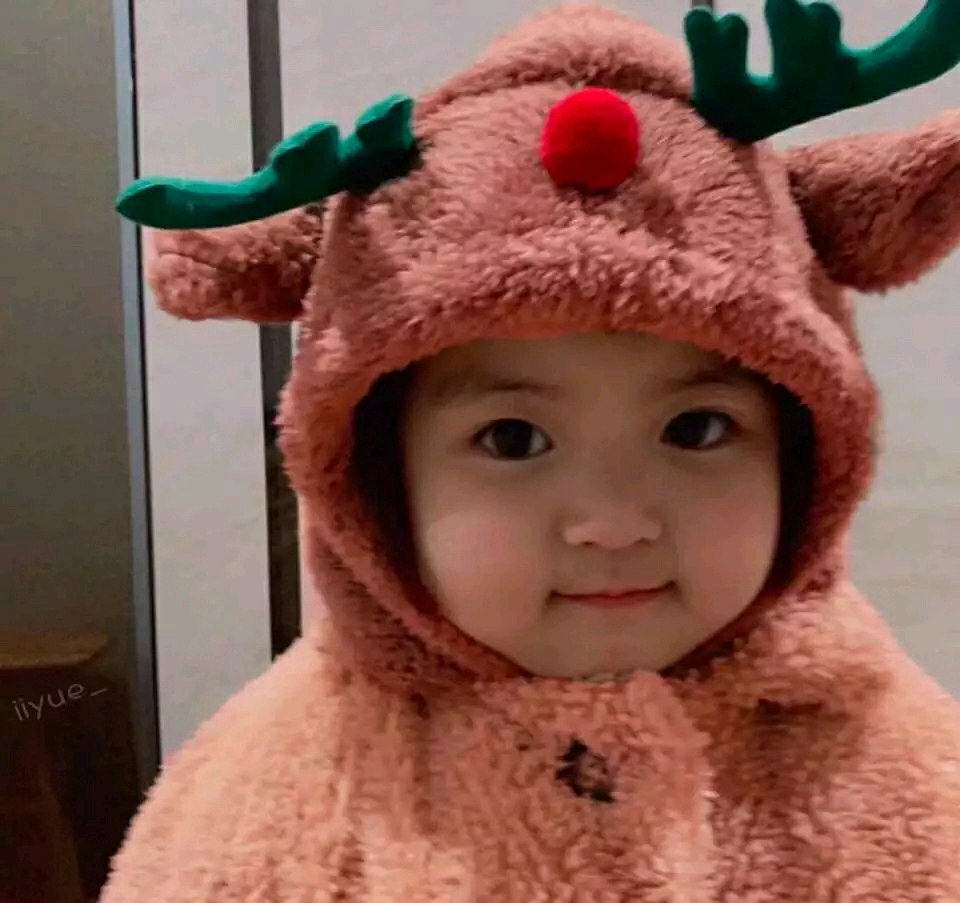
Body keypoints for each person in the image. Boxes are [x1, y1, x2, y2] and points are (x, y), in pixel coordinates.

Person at [101, 4, 960, 900]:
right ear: (380, 482)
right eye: (512, 439)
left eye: (696, 428)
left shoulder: (900, 769)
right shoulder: (268, 794)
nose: (614, 521)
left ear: (805, 455)